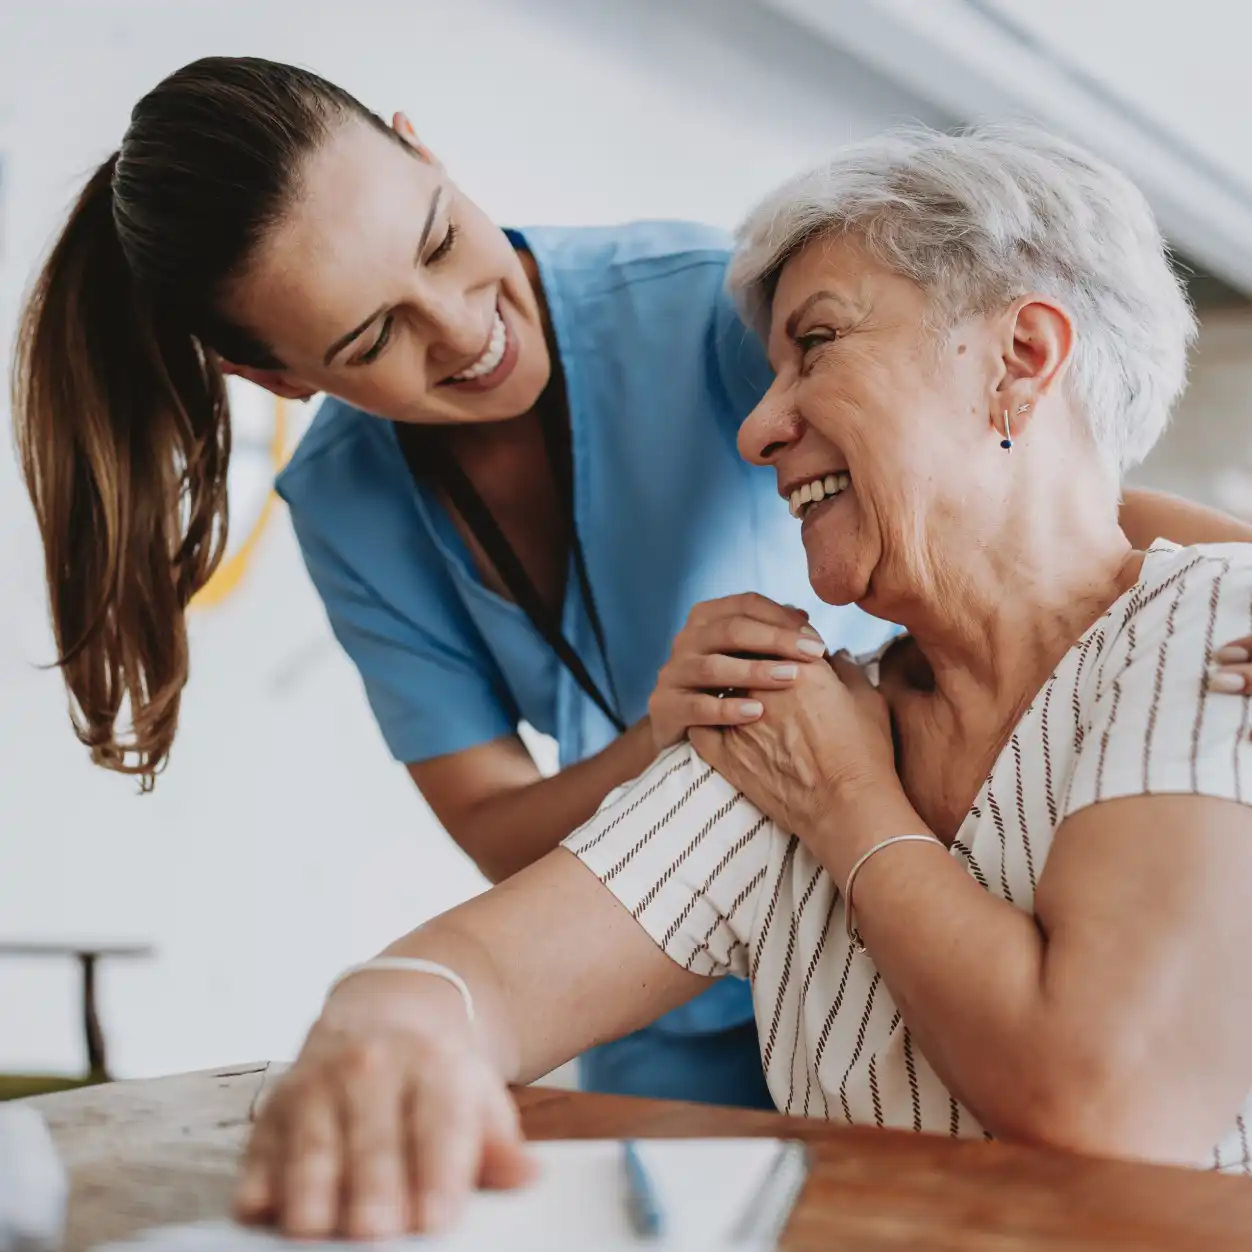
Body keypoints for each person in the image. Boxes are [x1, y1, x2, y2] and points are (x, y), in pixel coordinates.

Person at [10, 58, 1250, 1110]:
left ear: (421, 149)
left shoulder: (711, 312)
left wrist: (1219, 578)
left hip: (889, 894)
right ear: (281, 381)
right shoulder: (352, 505)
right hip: (682, 941)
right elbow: (495, 856)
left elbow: (998, 488)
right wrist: (681, 737)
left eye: (440, 239)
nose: (460, 326)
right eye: (369, 338)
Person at [230, 123, 1252, 1241]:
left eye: (813, 345)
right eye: (371, 333)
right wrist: (383, 1018)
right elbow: (482, 971)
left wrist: (849, 808)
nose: (755, 428)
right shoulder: (800, 718)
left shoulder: (1212, 636)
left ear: (1020, 358)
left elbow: (1099, 1097)